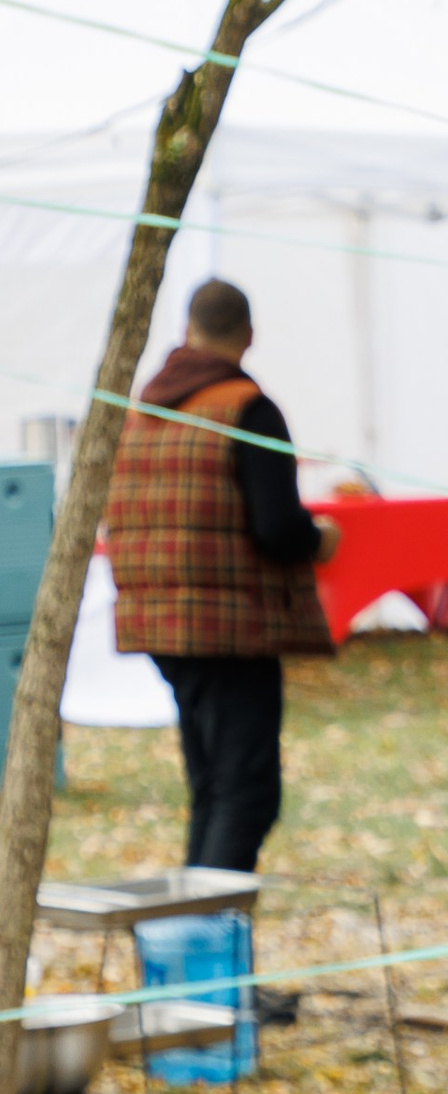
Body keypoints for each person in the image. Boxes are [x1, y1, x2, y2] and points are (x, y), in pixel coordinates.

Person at [104, 278, 339, 872]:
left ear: (187, 330)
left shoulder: (144, 410)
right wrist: (322, 540)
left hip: (159, 624)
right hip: (229, 628)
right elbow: (278, 529)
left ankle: (196, 942)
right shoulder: (247, 409)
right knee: (245, 794)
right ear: (249, 336)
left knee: (212, 788)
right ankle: (205, 951)